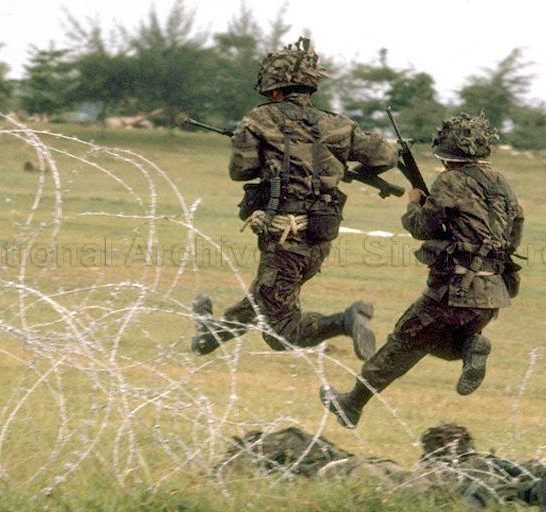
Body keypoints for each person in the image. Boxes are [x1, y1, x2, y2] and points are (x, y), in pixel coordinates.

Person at [190, 37, 399, 360]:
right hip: (319, 236)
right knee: (265, 297)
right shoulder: (338, 124)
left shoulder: (258, 120)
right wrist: (339, 164)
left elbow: (241, 171)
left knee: (280, 332)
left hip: (284, 235)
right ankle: (208, 338)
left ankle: (347, 319)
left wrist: (260, 151)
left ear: (274, 89)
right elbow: (385, 157)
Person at [320, 113, 525, 428]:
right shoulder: (502, 184)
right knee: (434, 343)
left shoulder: (450, 180)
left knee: (403, 342)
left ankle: (352, 405)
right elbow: (513, 234)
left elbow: (422, 226)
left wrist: (415, 202)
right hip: (490, 296)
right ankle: (472, 345)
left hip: (451, 292)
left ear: (447, 150)